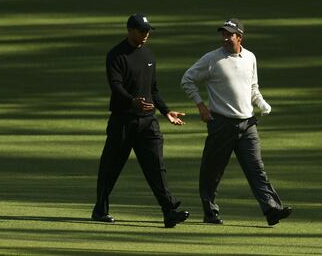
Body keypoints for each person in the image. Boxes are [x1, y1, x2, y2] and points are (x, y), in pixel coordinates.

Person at [181, 18, 292, 226]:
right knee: (212, 171)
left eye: (228, 34)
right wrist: (201, 105)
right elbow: (187, 79)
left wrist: (261, 103)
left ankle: (272, 210)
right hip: (221, 123)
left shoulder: (250, 57)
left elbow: (253, 87)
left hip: (248, 124)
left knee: (256, 169)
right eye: (222, 34)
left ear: (239, 37)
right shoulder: (212, 59)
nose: (224, 38)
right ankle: (210, 212)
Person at [91, 13, 189, 228]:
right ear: (130, 30)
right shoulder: (116, 55)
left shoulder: (149, 55)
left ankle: (169, 211)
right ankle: (100, 210)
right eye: (141, 31)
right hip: (123, 122)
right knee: (111, 167)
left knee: (156, 167)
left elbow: (153, 89)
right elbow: (116, 86)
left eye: (147, 31)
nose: (145, 35)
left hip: (148, 122)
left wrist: (165, 111)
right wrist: (133, 102)